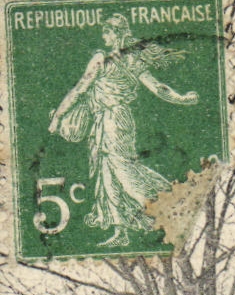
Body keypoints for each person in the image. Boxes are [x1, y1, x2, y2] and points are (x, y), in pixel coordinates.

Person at [47, 13, 198, 247]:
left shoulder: (102, 59)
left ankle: (166, 207)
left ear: (117, 34)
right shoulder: (133, 60)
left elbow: (78, 90)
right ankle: (121, 232)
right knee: (107, 175)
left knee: (123, 172)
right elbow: (159, 88)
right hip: (110, 119)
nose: (104, 36)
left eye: (107, 32)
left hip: (112, 120)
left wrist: (58, 116)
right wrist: (182, 98)